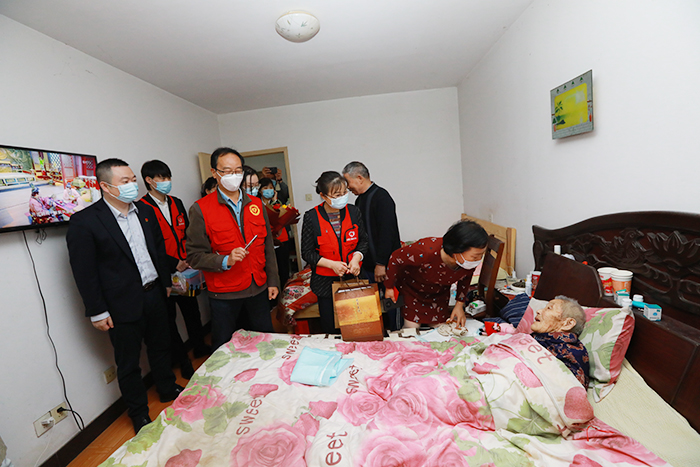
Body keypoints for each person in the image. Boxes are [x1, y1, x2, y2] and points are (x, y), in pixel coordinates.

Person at [66, 158, 183, 435]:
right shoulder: (86, 222)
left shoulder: (145, 212)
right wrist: (97, 310)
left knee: (161, 346)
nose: (132, 185)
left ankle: (166, 387)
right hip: (120, 303)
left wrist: (166, 283)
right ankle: (139, 413)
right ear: (106, 187)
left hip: (154, 292)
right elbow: (84, 271)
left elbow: (157, 250)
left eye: (133, 180)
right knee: (129, 363)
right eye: (125, 181)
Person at [186, 147, 280, 351]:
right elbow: (194, 256)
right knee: (226, 349)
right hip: (225, 294)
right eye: (227, 171)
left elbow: (267, 247)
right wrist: (225, 260)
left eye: (238, 171)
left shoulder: (256, 204)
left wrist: (273, 281)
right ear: (214, 173)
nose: (234, 176)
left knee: (266, 344)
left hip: (258, 287)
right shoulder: (201, 209)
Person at [140, 160, 210, 381]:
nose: (166, 182)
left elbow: (188, 233)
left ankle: (199, 347)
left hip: (186, 269)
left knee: (192, 312)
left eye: (168, 177)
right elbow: (148, 245)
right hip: (163, 272)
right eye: (161, 178)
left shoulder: (176, 202)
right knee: (169, 321)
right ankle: (183, 361)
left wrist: (189, 257)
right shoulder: (142, 208)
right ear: (149, 180)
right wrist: (172, 263)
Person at [384, 220, 488, 329]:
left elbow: (465, 280)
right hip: (412, 291)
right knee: (411, 328)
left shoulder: (468, 262)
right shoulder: (425, 251)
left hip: (439, 295)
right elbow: (395, 258)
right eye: (475, 256)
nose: (478, 260)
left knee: (442, 329)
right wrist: (389, 287)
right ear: (457, 250)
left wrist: (459, 305)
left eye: (481, 255)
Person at [301, 171, 369, 334]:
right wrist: (331, 264)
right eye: (337, 195)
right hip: (325, 283)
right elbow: (307, 252)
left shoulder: (354, 212)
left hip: (353, 278)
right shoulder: (311, 217)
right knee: (331, 327)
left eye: (344, 192)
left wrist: (356, 258)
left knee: (358, 326)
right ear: (323, 196)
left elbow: (363, 241)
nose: (342, 197)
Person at [342, 161, 402, 329]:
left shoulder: (382, 197)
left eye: (348, 182)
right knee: (370, 308)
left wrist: (381, 263)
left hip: (385, 265)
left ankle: (396, 335)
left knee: (391, 304)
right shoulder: (360, 200)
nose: (348, 187)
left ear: (359, 178)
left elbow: (387, 233)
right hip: (367, 265)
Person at [529, 296, 590, 387]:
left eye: (549, 308)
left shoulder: (570, 352)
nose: (538, 311)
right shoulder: (537, 338)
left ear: (567, 324)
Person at [260, 177, 299, 290]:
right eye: (265, 188)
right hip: (266, 241)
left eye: (271, 188)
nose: (268, 190)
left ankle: (284, 292)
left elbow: (283, 215)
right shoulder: (256, 204)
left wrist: (275, 201)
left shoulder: (279, 201)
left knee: (283, 268)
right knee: (270, 269)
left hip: (281, 239)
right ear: (259, 190)